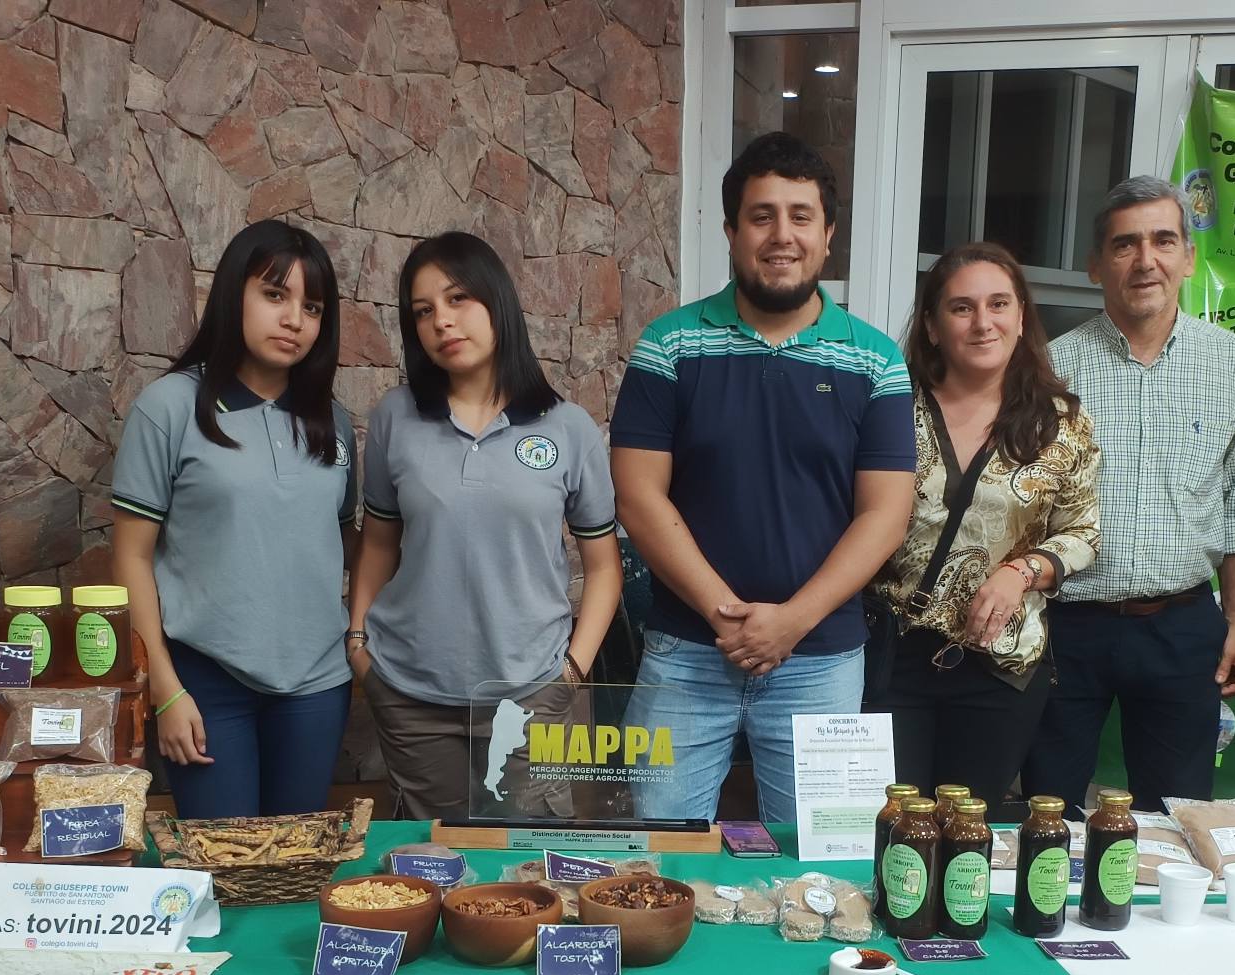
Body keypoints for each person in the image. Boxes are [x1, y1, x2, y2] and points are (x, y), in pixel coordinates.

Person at [611, 132, 915, 823]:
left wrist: (791, 622)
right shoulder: (669, 344)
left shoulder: (876, 360)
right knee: (656, 848)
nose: (782, 235)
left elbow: (886, 515)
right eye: (761, 216)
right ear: (731, 232)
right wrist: (730, 618)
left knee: (824, 861)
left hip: (823, 661)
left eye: (801, 216)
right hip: (686, 655)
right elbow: (638, 495)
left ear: (828, 236)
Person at [348, 232, 622, 821]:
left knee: (529, 860)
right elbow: (378, 543)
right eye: (423, 311)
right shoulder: (396, 417)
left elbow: (604, 568)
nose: (442, 321)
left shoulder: (568, 427)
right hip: (412, 695)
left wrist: (570, 673)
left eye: (458, 299)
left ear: (497, 301)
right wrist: (358, 644)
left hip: (530, 696)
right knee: (432, 857)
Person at [1025, 175, 1235, 813]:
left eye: (1163, 240)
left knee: (1178, 814)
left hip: (1183, 627)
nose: (1145, 260)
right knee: (1047, 809)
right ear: (1096, 264)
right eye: (1125, 244)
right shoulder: (1050, 369)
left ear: (1189, 257)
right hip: (1067, 626)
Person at [110, 219, 356, 819]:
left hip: (317, 685)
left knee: (296, 859)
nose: (294, 319)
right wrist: (164, 689)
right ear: (232, 295)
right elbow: (131, 557)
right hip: (203, 682)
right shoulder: (169, 407)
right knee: (219, 860)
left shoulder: (334, 422)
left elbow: (338, 541)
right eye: (274, 295)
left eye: (312, 307)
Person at [865, 242, 1101, 809]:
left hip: (1000, 663)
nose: (982, 322)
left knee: (969, 830)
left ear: (1021, 318)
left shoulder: (1060, 422)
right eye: (961, 307)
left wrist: (1023, 571)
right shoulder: (889, 408)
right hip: (889, 656)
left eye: (999, 304)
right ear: (931, 326)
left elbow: (1083, 533)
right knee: (890, 822)